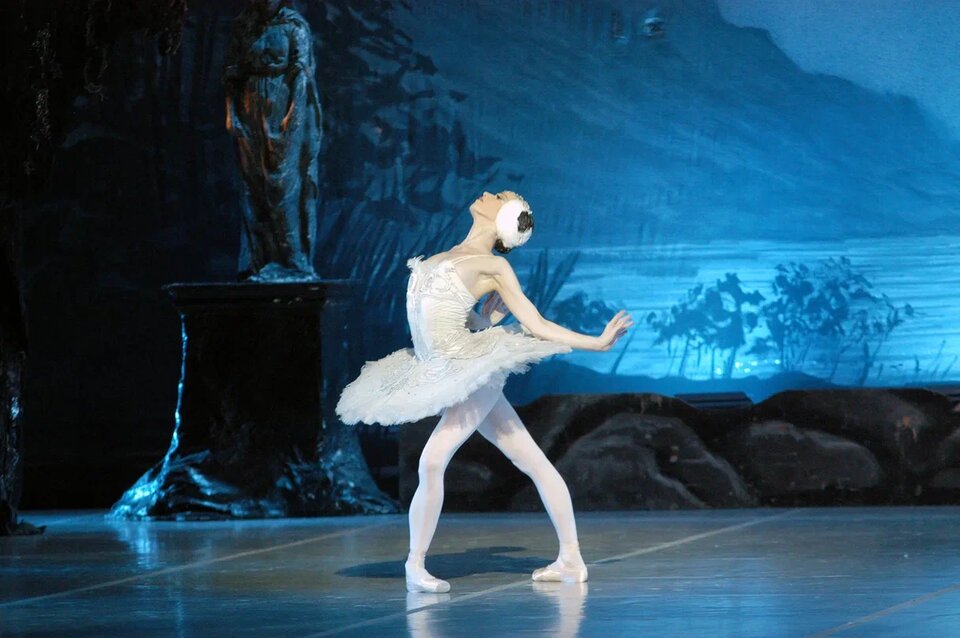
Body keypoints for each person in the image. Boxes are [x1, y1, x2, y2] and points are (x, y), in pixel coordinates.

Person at [336, 191, 633, 593]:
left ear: (505, 216)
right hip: (444, 368)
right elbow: (450, 320)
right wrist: (484, 319)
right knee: (533, 460)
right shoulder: (448, 255)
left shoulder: (494, 266)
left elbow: (537, 324)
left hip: (472, 370)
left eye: (498, 196)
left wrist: (595, 343)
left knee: (432, 460)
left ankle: (415, 565)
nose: (487, 194)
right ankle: (571, 559)